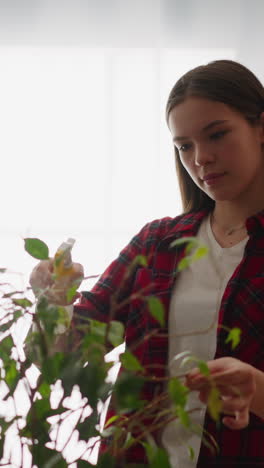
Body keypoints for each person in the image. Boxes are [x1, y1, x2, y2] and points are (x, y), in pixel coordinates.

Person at [30, 59, 264, 467]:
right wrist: (55, 303)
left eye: (217, 134)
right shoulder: (158, 242)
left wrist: (258, 389)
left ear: (260, 127)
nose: (201, 158)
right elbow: (64, 358)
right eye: (184, 146)